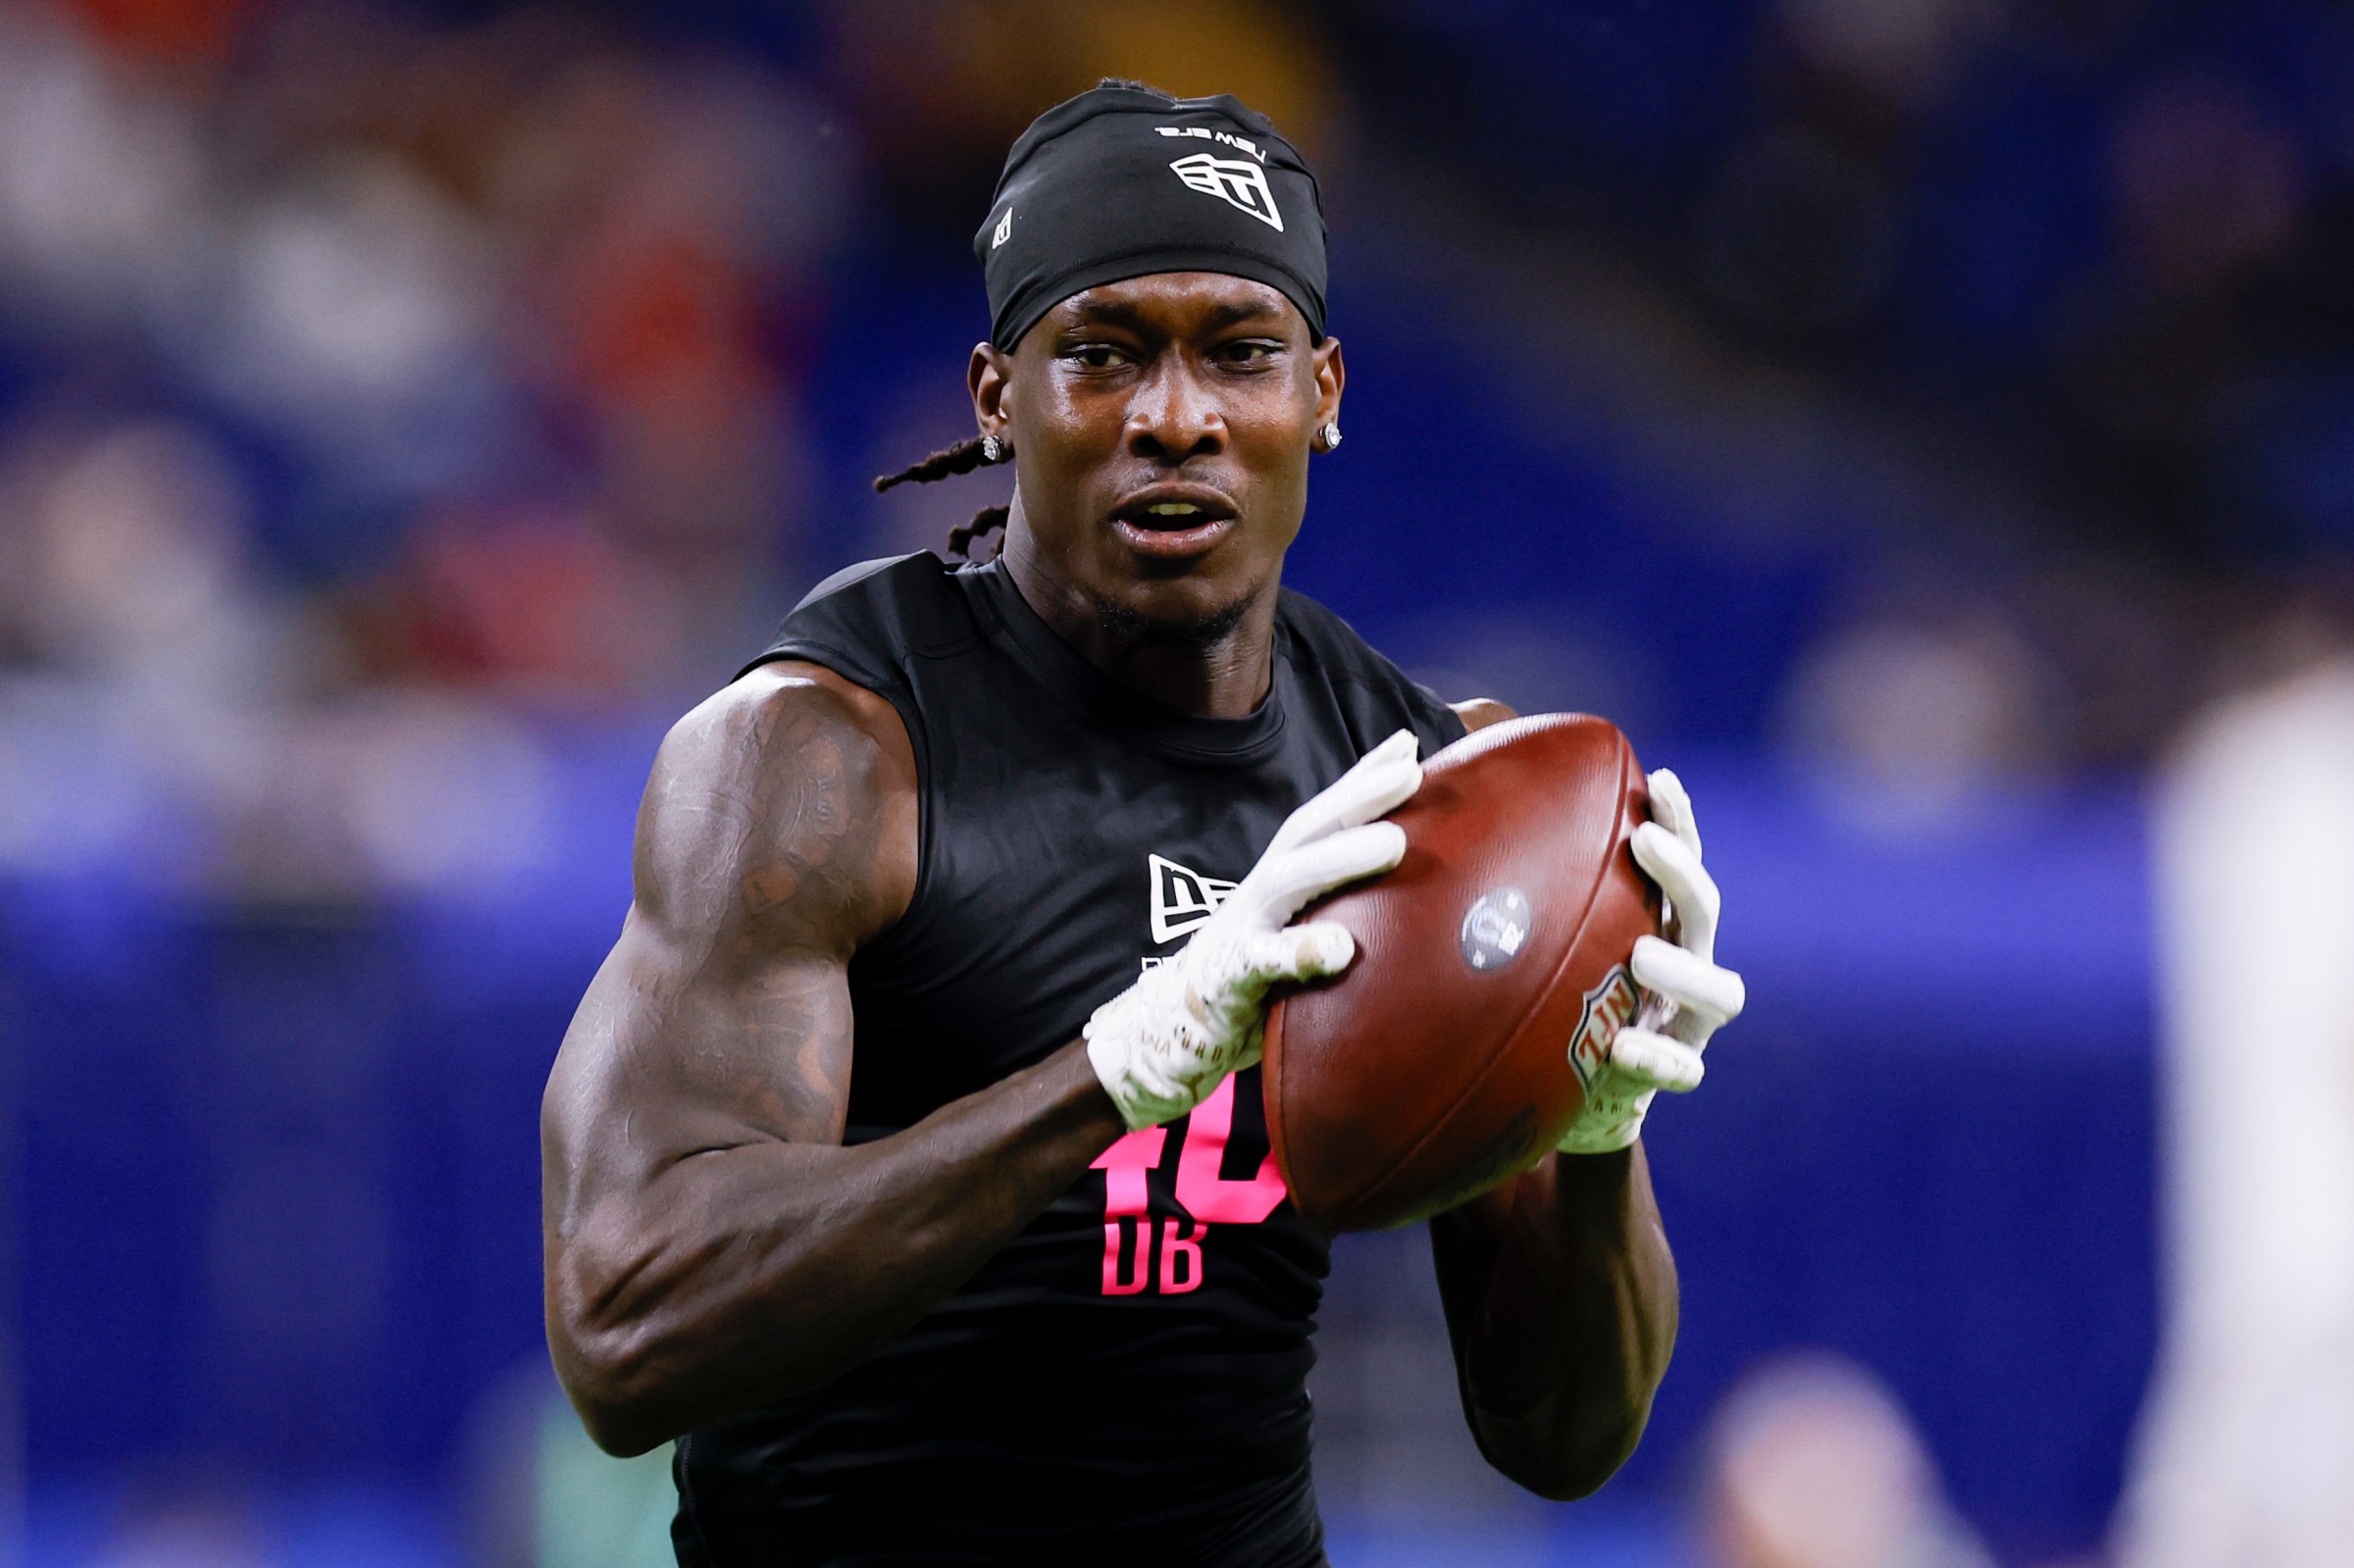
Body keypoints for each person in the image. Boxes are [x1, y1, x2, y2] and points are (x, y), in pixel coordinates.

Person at [539, 81, 1746, 1567]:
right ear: (999, 399)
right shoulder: (825, 756)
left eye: (1239, 353)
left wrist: (1598, 1126)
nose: (1176, 419)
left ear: (1323, 391)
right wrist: (1119, 1065)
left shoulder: (1421, 785)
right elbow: (625, 1329)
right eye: (1103, 354)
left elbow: (1562, 1439)